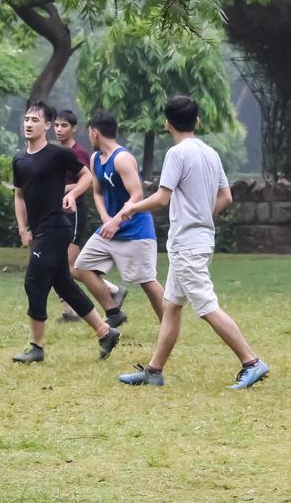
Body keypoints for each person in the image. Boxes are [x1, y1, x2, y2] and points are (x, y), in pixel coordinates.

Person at [104, 96, 268, 389]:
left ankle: (251, 362)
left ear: (167, 123)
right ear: (197, 121)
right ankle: (154, 372)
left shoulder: (177, 154)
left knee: (206, 306)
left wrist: (131, 207)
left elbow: (162, 197)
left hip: (187, 245)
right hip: (200, 240)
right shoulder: (210, 153)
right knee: (171, 306)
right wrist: (203, 215)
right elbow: (226, 197)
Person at [12, 101, 121, 363]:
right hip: (39, 230)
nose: (29, 124)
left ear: (47, 125)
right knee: (63, 283)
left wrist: (72, 193)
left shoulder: (57, 154)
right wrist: (22, 228)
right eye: (26, 119)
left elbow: (88, 177)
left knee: (33, 282)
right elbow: (19, 195)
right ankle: (105, 331)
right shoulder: (19, 159)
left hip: (56, 228)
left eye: (35, 120)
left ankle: (36, 347)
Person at [73, 112, 164, 324]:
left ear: (95, 132)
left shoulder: (122, 159)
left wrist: (117, 221)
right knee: (81, 267)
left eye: (89, 132)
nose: (89, 137)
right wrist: (106, 217)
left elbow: (137, 195)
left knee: (147, 282)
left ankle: (169, 326)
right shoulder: (96, 159)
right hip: (110, 228)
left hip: (136, 230)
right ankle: (114, 313)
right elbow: (97, 192)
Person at [52, 108, 124, 321]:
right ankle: (71, 311)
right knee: (59, 264)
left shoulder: (81, 154)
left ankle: (111, 290)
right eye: (56, 125)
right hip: (58, 214)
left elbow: (90, 180)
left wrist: (63, 189)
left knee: (70, 266)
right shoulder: (54, 152)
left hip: (74, 214)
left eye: (64, 125)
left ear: (74, 129)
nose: (58, 129)